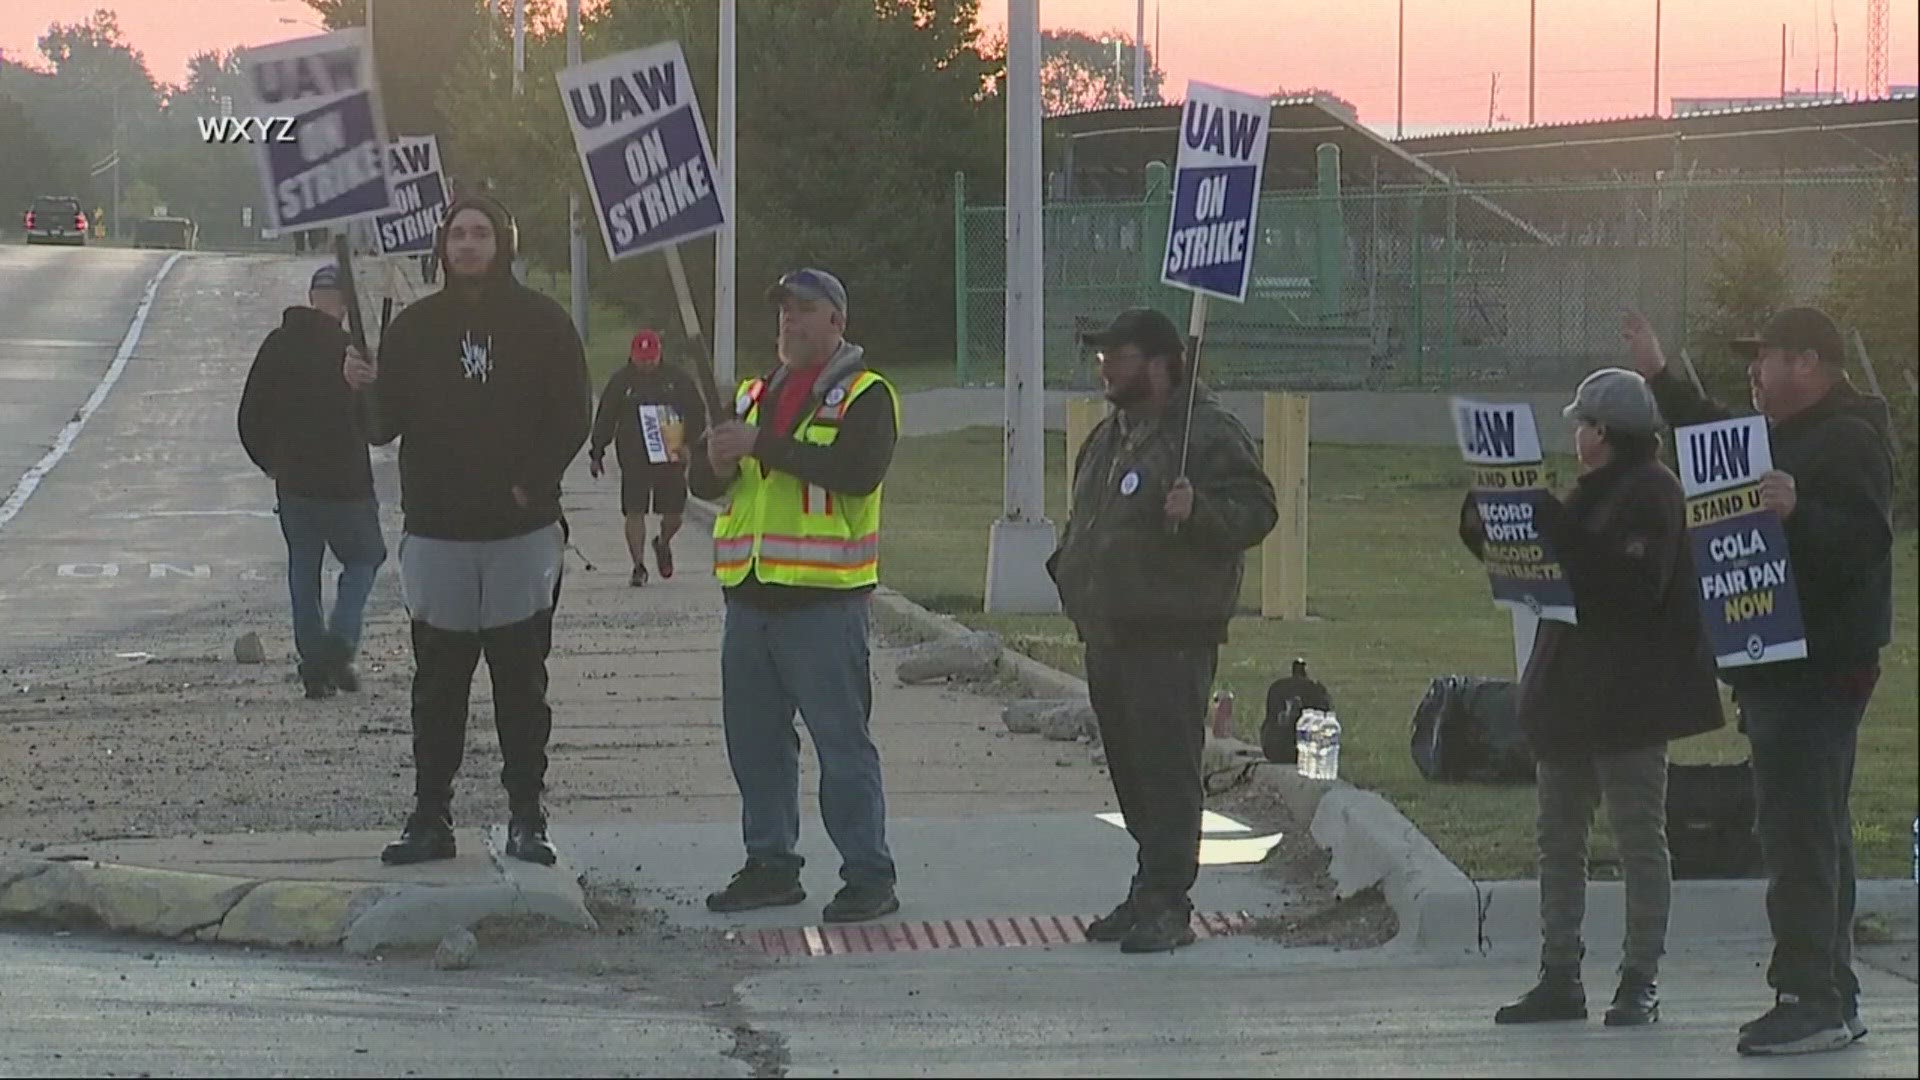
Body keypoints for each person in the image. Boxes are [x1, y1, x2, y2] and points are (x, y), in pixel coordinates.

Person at [1623, 307, 1894, 1056]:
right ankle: (1830, 991)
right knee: (1815, 830)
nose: (1754, 372)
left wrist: (1799, 511)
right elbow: (1709, 436)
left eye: (1767, 358)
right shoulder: (1780, 436)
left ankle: (1810, 997)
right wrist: (1656, 372)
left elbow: (1866, 543)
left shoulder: (1848, 441)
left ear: (1809, 363)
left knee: (1799, 833)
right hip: (1777, 663)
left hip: (1821, 669)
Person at [1458, 367, 1724, 1029]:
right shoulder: (1590, 493)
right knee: (1560, 842)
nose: (1574, 434)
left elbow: (1631, 586)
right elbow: (1541, 568)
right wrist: (1489, 515)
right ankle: (1559, 975)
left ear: (1602, 432)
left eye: (1580, 423)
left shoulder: (1651, 494)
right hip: (1569, 696)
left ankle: (1640, 979)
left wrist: (1555, 523)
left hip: (1628, 703)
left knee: (1638, 840)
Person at [343, 195, 592, 867]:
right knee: (437, 684)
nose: (470, 244)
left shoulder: (544, 324)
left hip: (521, 535)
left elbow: (574, 413)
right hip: (437, 535)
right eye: (459, 234)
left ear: (502, 242)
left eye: (482, 232)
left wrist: (531, 483)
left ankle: (527, 816)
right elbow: (380, 427)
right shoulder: (416, 328)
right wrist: (360, 386)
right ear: (443, 245)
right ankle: (430, 816)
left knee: (522, 682)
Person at [1046, 308, 1278, 954]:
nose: (1103, 369)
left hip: (1169, 631)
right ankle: (1147, 884)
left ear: (1158, 364)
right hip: (1109, 630)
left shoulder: (1204, 436)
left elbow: (1257, 509)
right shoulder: (1110, 436)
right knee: (1131, 771)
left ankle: (1168, 901)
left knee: (1168, 771)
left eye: (1114, 357)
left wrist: (1199, 510)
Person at [687, 268, 903, 924]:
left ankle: (869, 874)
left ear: (837, 321)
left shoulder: (866, 395)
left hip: (823, 602)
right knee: (754, 745)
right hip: (750, 598)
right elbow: (708, 479)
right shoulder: (754, 394)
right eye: (784, 311)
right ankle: (770, 864)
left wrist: (762, 446)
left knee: (842, 746)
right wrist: (717, 462)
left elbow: (856, 474)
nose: (790, 322)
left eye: (804, 310)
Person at [238, 264, 388, 700]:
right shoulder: (351, 353)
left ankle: (313, 660)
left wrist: (270, 462)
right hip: (346, 484)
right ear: (344, 303)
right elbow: (375, 422)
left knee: (303, 568)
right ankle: (339, 643)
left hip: (295, 483)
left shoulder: (277, 345)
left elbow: (249, 414)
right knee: (364, 559)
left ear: (310, 296)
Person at [588, 329, 709, 586]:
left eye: (651, 358)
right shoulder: (622, 382)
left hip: (670, 454)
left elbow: (697, 413)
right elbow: (606, 417)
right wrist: (597, 452)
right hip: (634, 458)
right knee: (634, 511)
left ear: (659, 354)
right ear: (633, 355)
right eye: (642, 358)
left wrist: (690, 444)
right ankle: (638, 566)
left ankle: (662, 542)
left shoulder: (676, 379)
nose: (646, 363)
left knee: (674, 513)